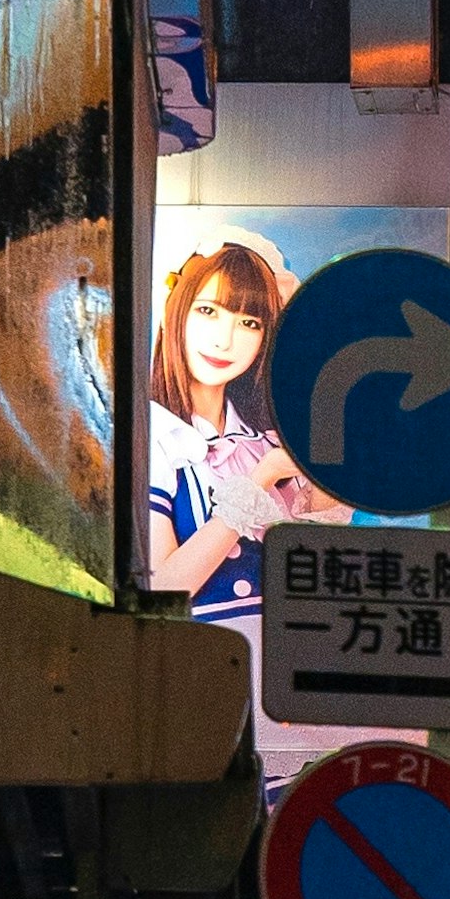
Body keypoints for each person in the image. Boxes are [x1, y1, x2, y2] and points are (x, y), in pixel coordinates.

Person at [146, 238, 312, 624]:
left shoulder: (263, 438)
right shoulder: (153, 436)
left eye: (249, 323)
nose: (225, 339)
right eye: (208, 311)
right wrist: (262, 477)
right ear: (175, 313)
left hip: (283, 657)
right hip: (204, 661)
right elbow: (162, 590)